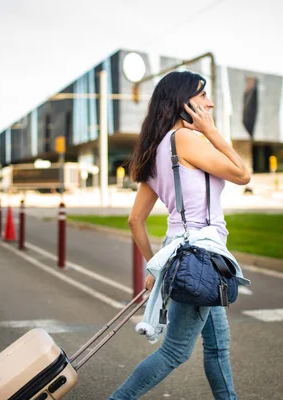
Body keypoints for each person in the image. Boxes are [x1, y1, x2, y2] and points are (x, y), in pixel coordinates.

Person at [108, 70, 250, 399]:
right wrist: (211, 131)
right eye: (203, 97)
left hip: (186, 256)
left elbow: (135, 220)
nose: (209, 103)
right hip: (202, 257)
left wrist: (155, 267)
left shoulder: (157, 150)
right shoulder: (187, 140)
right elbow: (242, 174)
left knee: (217, 346)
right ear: (183, 102)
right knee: (175, 352)